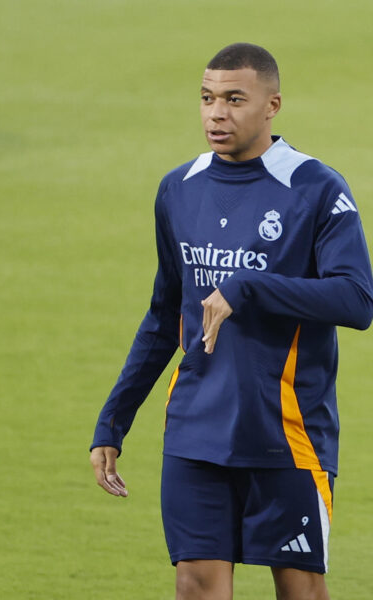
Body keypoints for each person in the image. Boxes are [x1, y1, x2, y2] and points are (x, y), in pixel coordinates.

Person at [89, 42, 373, 600]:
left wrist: (248, 288)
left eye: (234, 99)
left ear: (272, 105)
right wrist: (114, 418)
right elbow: (162, 316)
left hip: (286, 433)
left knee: (301, 590)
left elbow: (356, 300)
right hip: (196, 430)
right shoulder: (179, 189)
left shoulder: (316, 189)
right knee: (195, 586)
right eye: (207, 98)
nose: (216, 113)